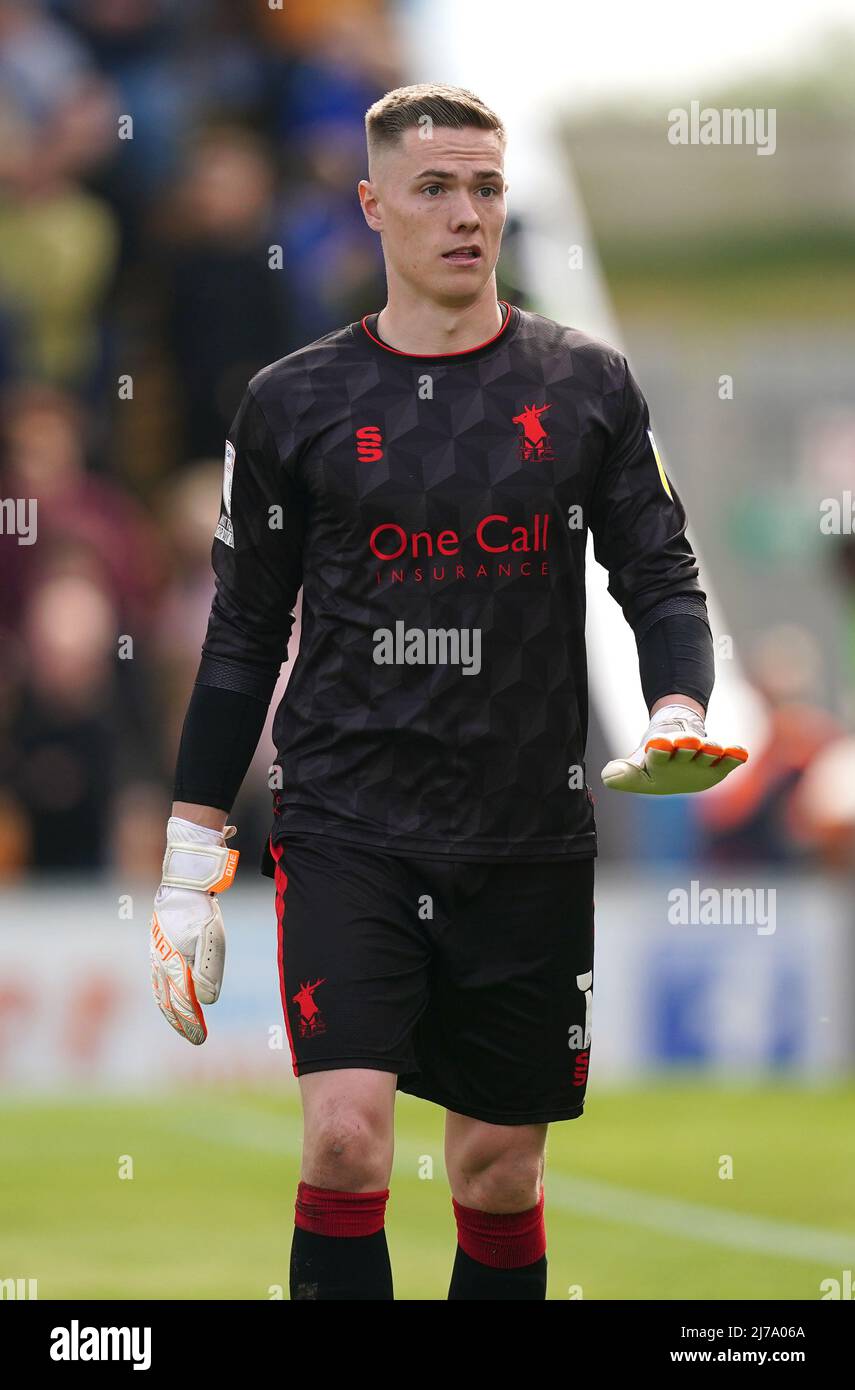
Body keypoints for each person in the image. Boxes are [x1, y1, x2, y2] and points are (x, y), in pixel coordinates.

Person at [148, 83, 747, 1301]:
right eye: (434, 187)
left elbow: (662, 576)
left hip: (524, 826)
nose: (466, 213)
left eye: (485, 186)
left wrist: (677, 705)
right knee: (346, 1137)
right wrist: (186, 849)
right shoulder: (290, 404)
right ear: (373, 206)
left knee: (497, 1174)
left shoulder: (588, 386)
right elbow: (242, 634)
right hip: (348, 821)